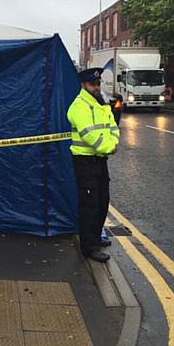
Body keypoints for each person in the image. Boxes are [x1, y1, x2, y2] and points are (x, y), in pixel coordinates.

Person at [67, 68, 120, 262]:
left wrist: (113, 143)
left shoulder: (101, 103)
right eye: (92, 84)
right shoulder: (79, 106)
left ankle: (96, 237)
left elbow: (113, 126)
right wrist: (108, 147)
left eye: (98, 84)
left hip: (100, 160)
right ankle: (89, 248)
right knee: (89, 205)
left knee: (102, 202)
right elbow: (89, 134)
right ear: (83, 85)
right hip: (85, 161)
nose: (96, 87)